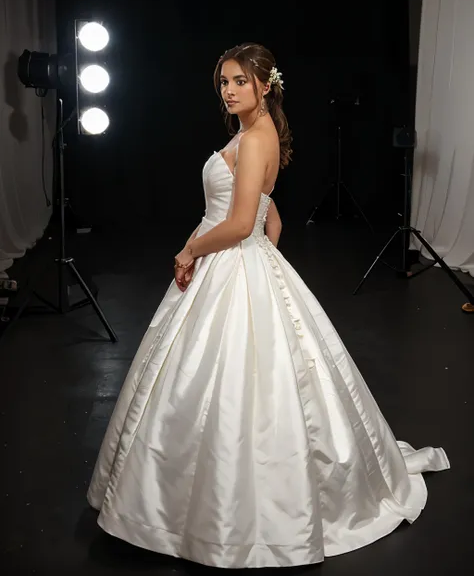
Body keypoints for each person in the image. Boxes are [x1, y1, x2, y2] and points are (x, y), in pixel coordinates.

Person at [87, 43, 449, 568]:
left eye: (238, 81)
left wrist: (193, 248)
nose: (229, 91)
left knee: (235, 389)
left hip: (229, 260)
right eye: (223, 84)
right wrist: (255, 250)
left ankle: (224, 518)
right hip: (237, 264)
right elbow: (266, 217)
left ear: (264, 85)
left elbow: (237, 224)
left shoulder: (256, 139)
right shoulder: (254, 136)